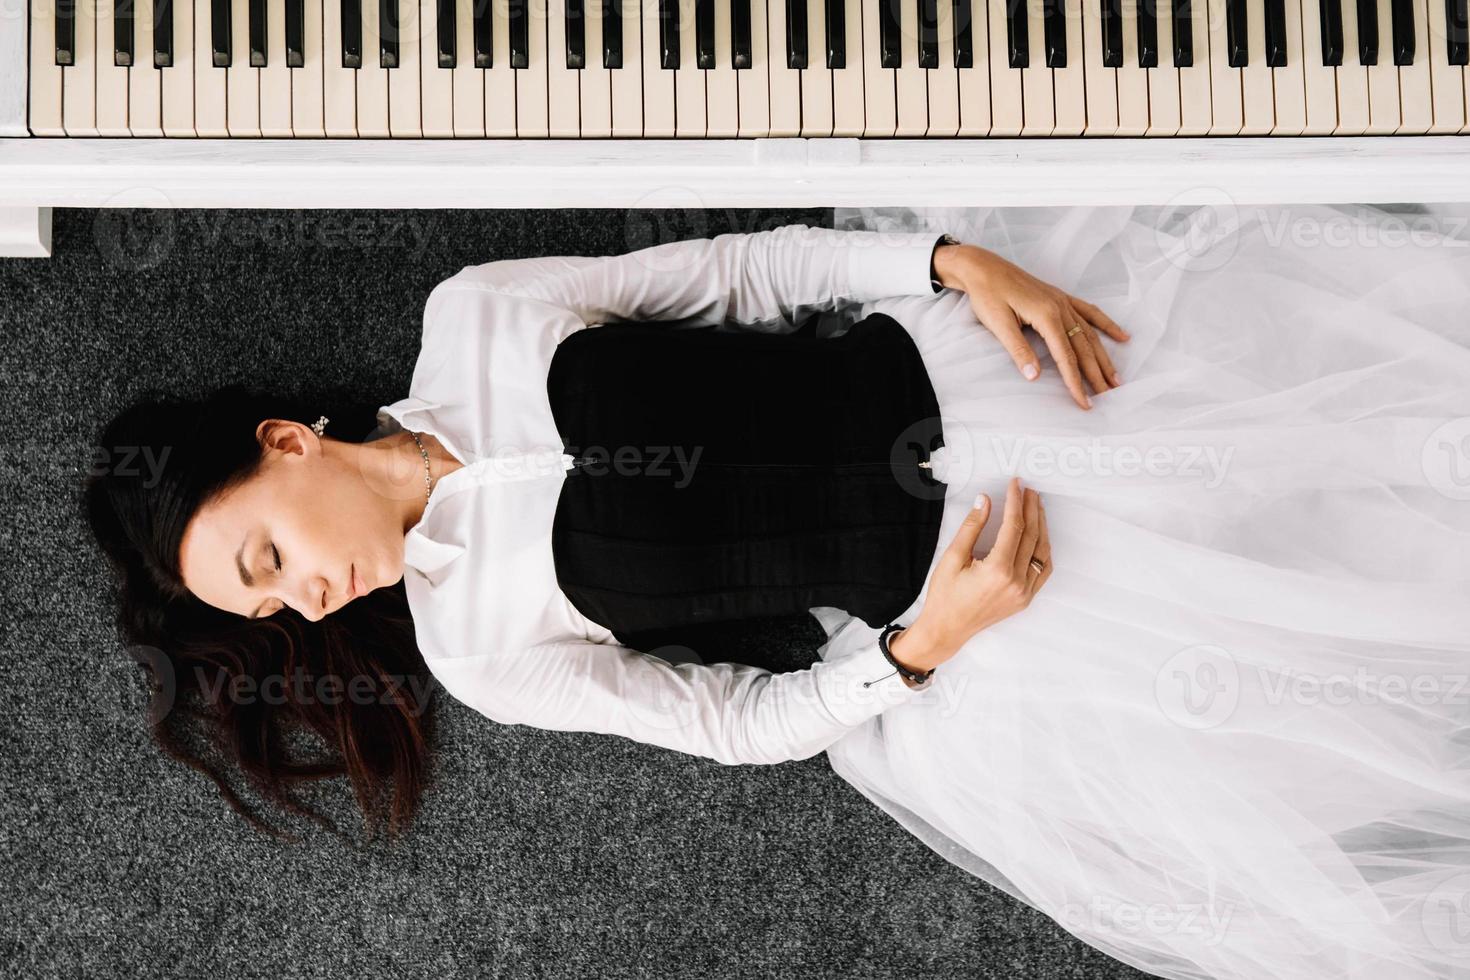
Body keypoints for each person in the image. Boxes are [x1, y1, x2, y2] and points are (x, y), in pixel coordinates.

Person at [83, 208, 1470, 980]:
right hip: (995, 587)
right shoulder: (479, 647)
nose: (312, 601)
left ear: (285, 444)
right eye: (276, 614)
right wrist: (927, 648)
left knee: (1366, 415)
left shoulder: (474, 315)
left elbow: (740, 277)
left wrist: (947, 264)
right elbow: (739, 723)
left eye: (268, 560)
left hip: (972, 363)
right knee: (1361, 609)